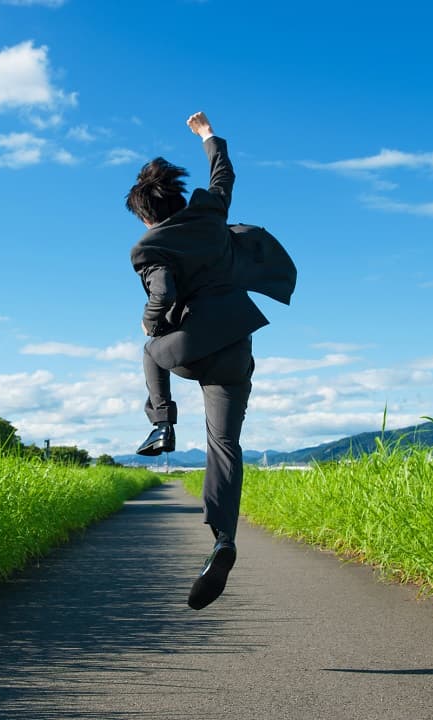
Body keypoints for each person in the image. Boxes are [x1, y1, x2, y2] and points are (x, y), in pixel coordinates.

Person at [125, 111, 269, 610]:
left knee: (150, 351)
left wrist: (151, 319)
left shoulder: (150, 244)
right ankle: (223, 539)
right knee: (225, 445)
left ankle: (161, 424)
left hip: (189, 347)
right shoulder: (209, 215)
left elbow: (161, 290)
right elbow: (223, 176)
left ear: (146, 215)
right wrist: (208, 136)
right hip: (237, 344)